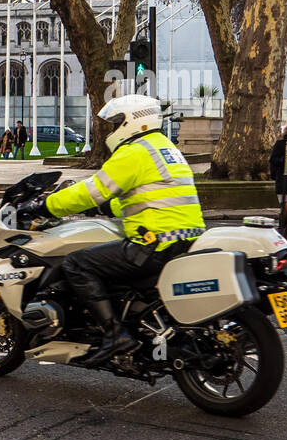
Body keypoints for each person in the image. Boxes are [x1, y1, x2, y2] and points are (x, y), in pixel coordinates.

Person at [41, 94, 205, 367]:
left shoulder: (134, 151)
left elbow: (91, 190)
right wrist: (107, 208)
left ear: (134, 122)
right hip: (187, 240)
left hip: (155, 244)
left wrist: (47, 205)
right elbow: (147, 197)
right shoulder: (166, 148)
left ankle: (115, 335)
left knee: (76, 263)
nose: (113, 129)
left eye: (117, 122)